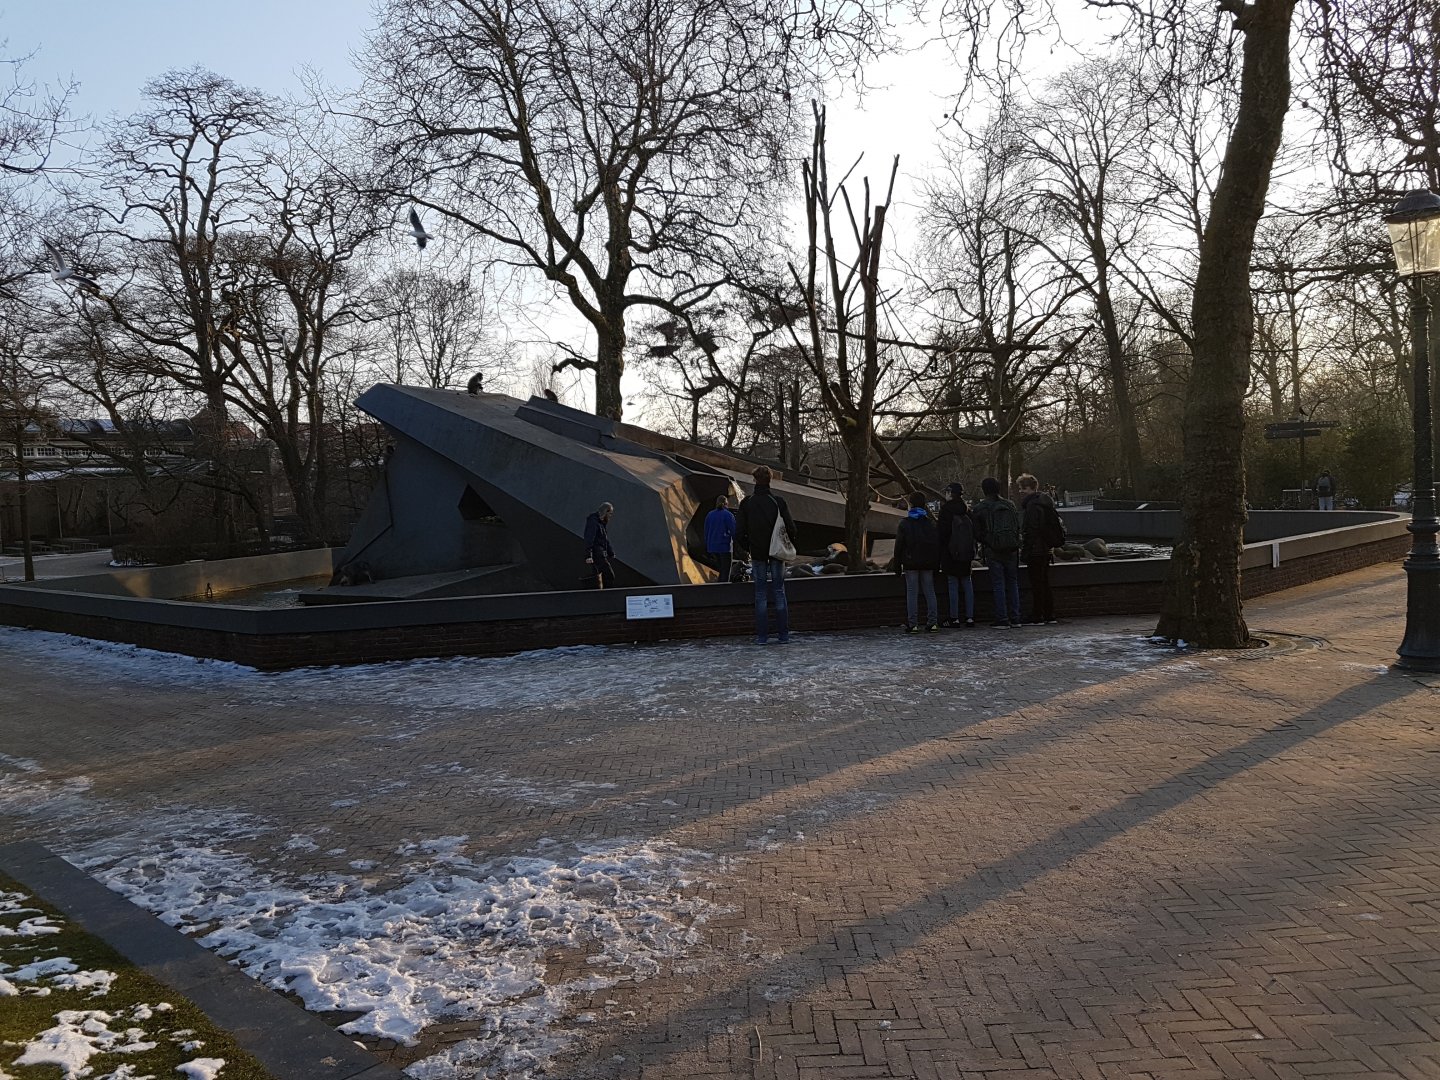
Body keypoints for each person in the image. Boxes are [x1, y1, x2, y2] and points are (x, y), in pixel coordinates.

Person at [735, 466, 798, 644]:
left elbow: (738, 532)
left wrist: (749, 546)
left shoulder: (747, 503)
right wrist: (786, 543)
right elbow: (792, 528)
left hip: (757, 553)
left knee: (760, 594)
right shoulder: (778, 502)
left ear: (754, 480)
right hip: (776, 552)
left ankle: (762, 636)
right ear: (770, 480)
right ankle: (783, 634)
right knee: (779, 591)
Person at [971, 476, 1023, 628]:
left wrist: (988, 541)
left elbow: (977, 532)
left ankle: (1002, 618)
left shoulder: (980, 508)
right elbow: (1017, 526)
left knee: (998, 584)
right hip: (1012, 549)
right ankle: (1016, 618)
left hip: (993, 550)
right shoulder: (1010, 505)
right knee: (1013, 583)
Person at [895, 491, 942, 633]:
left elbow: (899, 545)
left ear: (911, 504)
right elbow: (936, 545)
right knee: (930, 591)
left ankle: (913, 624)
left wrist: (897, 564)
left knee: (912, 593)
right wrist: (936, 564)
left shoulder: (904, 523)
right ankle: (933, 622)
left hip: (911, 563)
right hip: (928, 563)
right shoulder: (930, 523)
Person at [1017, 473, 1059, 625]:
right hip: (1047, 548)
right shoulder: (1046, 502)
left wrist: (1025, 550)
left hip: (1036, 549)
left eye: (1022, 488)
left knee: (1036, 583)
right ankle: (1049, 614)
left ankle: (1037, 615)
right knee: (1045, 581)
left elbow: (1032, 530)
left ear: (1029, 488)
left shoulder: (1032, 505)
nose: (1020, 492)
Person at [937, 482, 975, 627]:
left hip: (950, 552)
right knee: (967, 583)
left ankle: (954, 617)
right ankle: (970, 617)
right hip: (966, 552)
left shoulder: (946, 510)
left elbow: (942, 533)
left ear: (950, 493)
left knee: (952, 584)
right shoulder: (966, 510)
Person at [704, 494, 737, 583]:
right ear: (726, 503)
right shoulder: (728, 515)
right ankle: (724, 589)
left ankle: (719, 587)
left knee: (721, 570)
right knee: (726, 572)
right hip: (725, 547)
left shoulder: (710, 515)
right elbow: (734, 531)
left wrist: (707, 544)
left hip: (712, 547)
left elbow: (706, 531)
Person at [583, 502, 616, 589]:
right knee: (609, 575)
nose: (610, 516)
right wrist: (588, 555)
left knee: (605, 576)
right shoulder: (593, 522)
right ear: (606, 512)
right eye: (610, 513)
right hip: (597, 554)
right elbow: (589, 538)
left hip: (600, 553)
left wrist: (610, 552)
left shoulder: (601, 523)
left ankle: (605, 593)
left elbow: (605, 539)